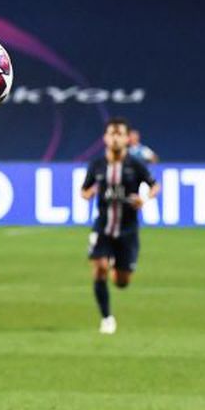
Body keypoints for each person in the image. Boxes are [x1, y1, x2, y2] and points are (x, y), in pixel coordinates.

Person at [81, 117, 159, 334]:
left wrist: (144, 198)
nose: (115, 138)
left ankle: (117, 264)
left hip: (127, 230)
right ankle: (107, 318)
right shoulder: (97, 165)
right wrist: (89, 193)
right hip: (103, 227)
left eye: (120, 134)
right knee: (99, 268)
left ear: (127, 138)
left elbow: (155, 186)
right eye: (112, 134)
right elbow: (84, 189)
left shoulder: (135, 165)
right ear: (106, 138)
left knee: (122, 282)